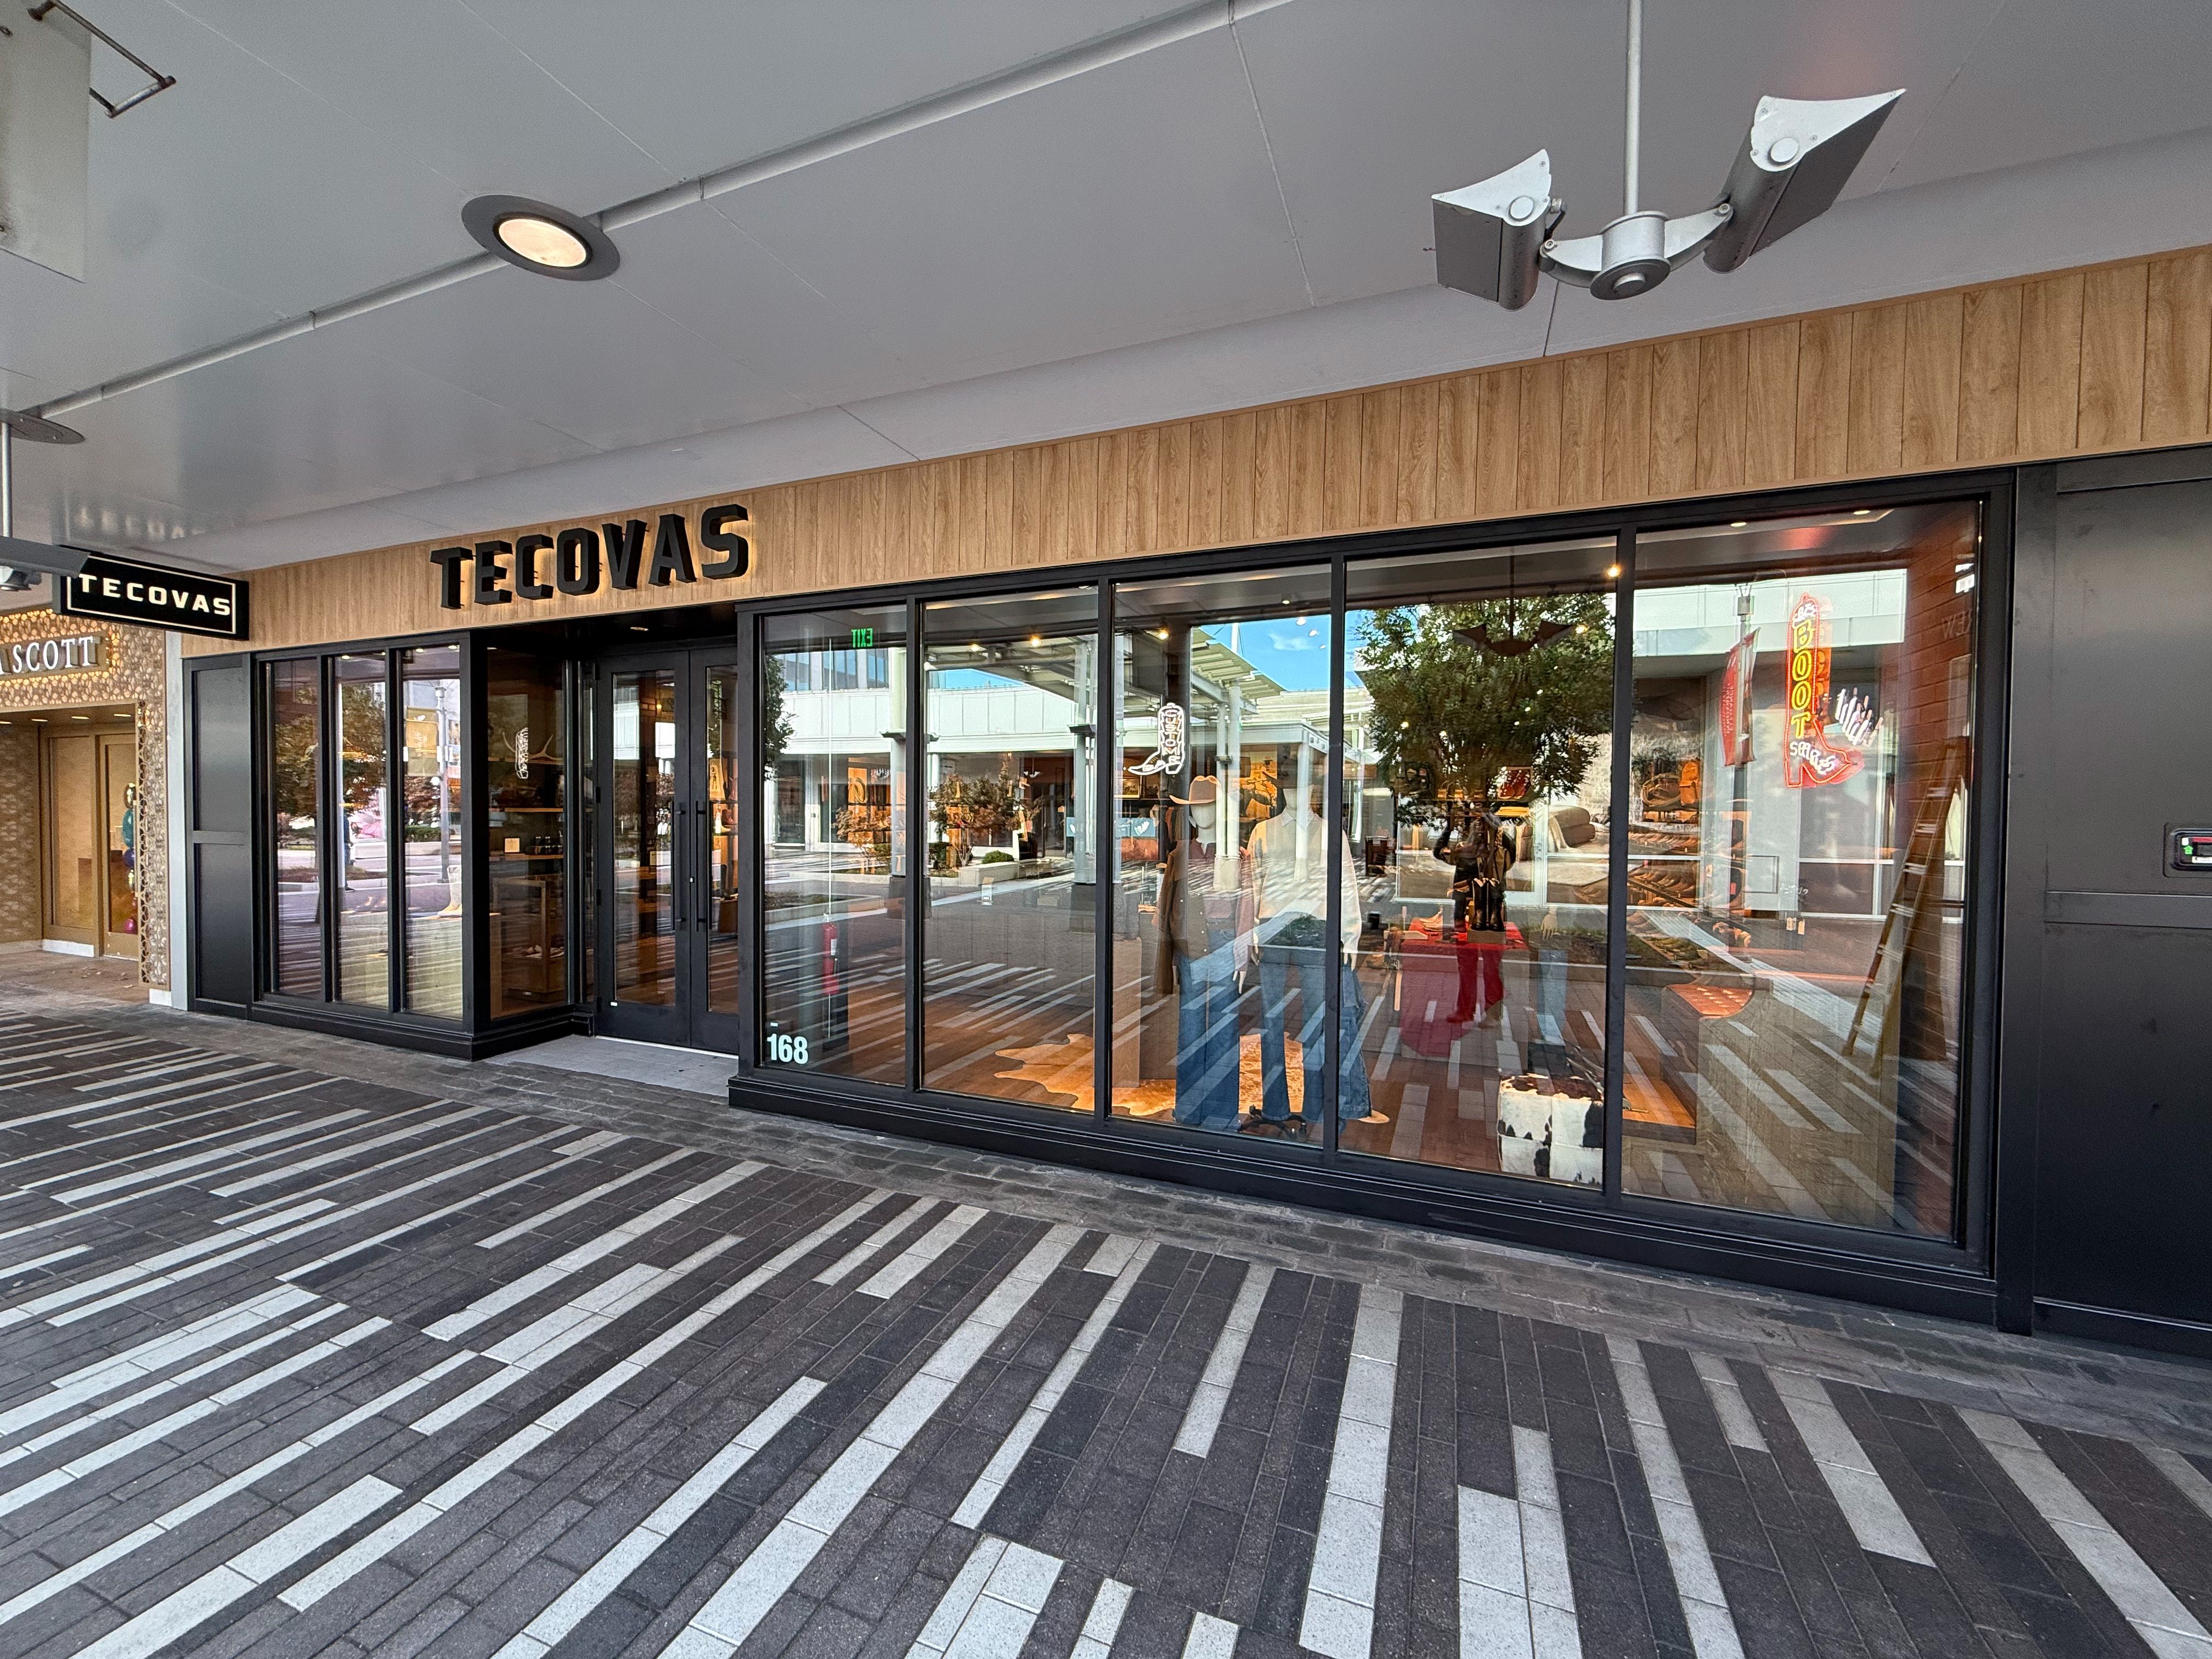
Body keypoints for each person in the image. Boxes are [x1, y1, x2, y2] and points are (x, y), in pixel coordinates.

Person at [1246, 782, 1384, 1135]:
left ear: (1313, 790)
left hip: (1317, 929)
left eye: (1303, 785)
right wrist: (1251, 931)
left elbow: (1346, 883)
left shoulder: (1329, 832)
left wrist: (1350, 933)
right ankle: (1275, 1106)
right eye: (1289, 787)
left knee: (1316, 1023)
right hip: (1274, 927)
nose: (1296, 793)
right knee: (1271, 1021)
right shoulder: (1263, 831)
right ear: (1281, 792)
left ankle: (1313, 1108)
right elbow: (1253, 884)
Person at [1155, 778, 1243, 1131]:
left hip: (1222, 944)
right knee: (1191, 1027)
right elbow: (1165, 910)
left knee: (1224, 1027)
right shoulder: (1179, 854)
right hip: (1191, 946)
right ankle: (1189, 1110)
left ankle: (1223, 1112)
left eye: (1210, 806)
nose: (1203, 813)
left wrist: (1241, 948)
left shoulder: (1235, 853)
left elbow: (1245, 904)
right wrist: (1167, 955)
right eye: (1198, 807)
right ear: (1190, 815)